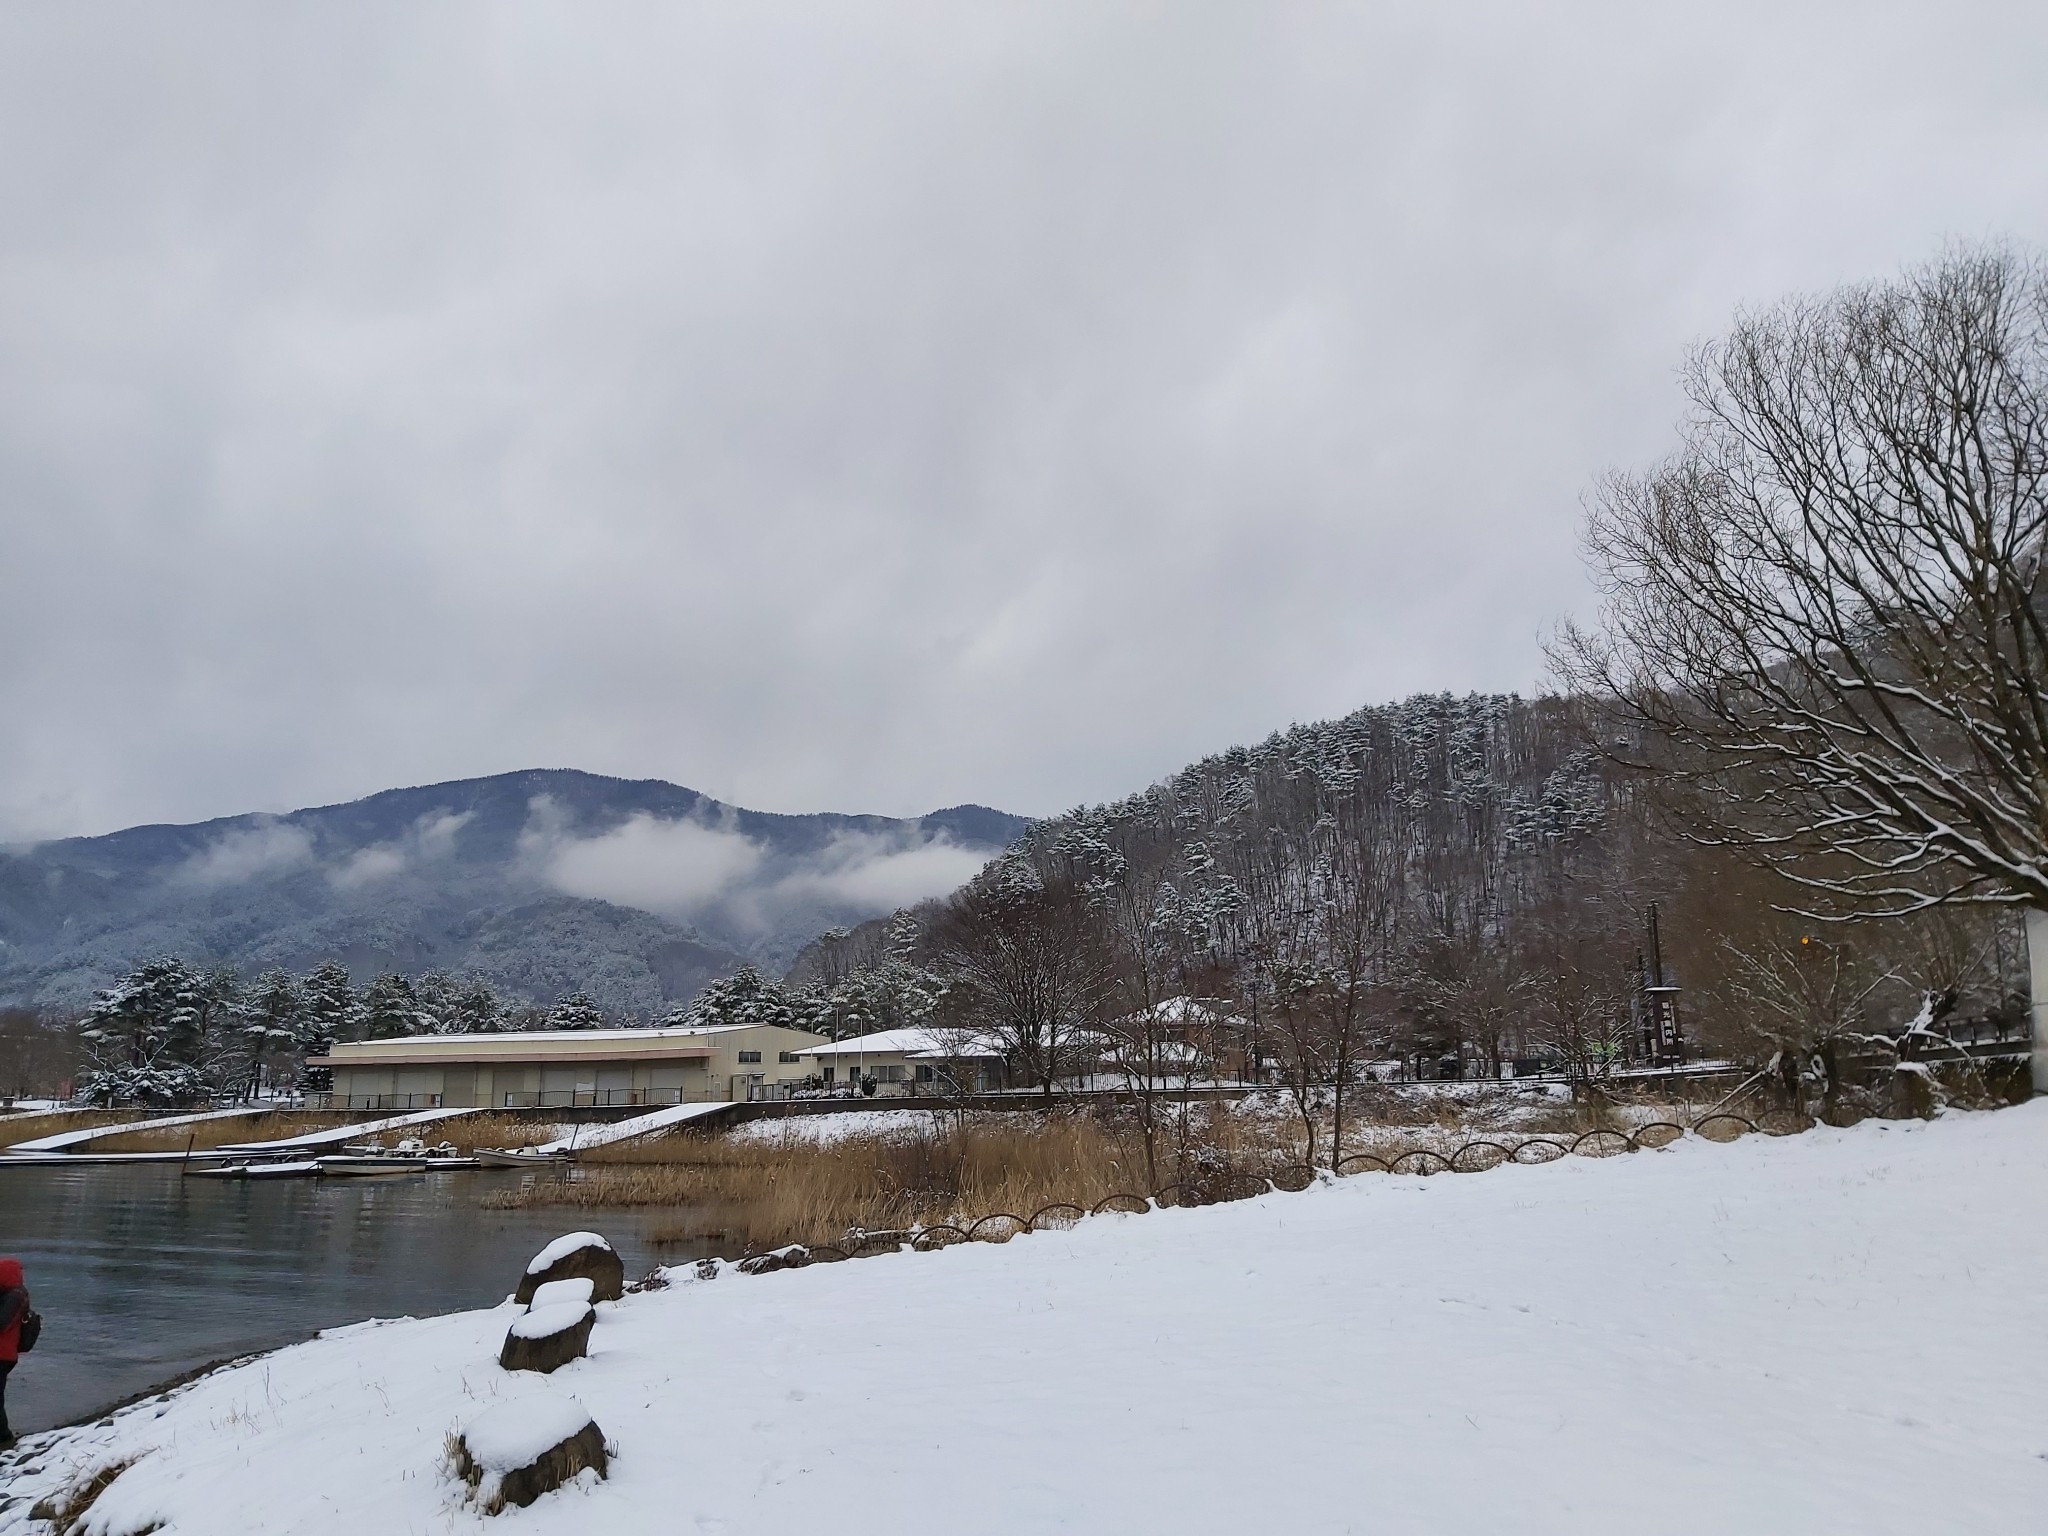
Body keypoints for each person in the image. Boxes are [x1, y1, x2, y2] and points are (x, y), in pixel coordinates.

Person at [0, 1256, 28, 1449]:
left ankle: (4, 1439)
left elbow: (2, 1323)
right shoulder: (15, 1294)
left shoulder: (14, 1296)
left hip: (2, 1354)